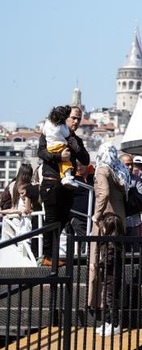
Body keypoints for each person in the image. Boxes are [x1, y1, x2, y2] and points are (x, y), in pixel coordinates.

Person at [37, 105, 89, 265]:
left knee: (62, 220)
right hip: (52, 181)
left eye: (78, 119)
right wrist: (59, 156)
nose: (76, 121)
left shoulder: (74, 138)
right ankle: (47, 256)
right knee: (51, 219)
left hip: (67, 184)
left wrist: (75, 146)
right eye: (73, 118)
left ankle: (52, 255)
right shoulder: (51, 132)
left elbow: (86, 159)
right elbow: (41, 152)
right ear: (65, 118)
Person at [87, 143, 128, 324]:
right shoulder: (119, 169)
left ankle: (98, 305)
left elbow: (103, 193)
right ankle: (113, 312)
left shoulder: (102, 170)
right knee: (115, 269)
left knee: (98, 263)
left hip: (106, 223)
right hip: (120, 223)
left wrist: (96, 216)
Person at [94, 212, 125, 337]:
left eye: (105, 226)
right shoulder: (108, 241)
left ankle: (115, 324)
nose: (102, 229)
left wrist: (98, 265)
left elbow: (109, 259)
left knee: (111, 299)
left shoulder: (112, 244)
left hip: (112, 275)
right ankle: (107, 322)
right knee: (106, 299)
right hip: (107, 275)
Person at [0, 164, 34, 259]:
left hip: (12, 217)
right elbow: (26, 208)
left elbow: (4, 199)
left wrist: (4, 211)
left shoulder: (13, 185)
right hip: (24, 217)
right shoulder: (30, 186)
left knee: (9, 243)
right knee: (23, 242)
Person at [42, 105, 77, 187]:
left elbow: (44, 132)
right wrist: (60, 156)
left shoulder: (47, 123)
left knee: (62, 163)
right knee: (66, 161)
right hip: (59, 146)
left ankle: (64, 177)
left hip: (50, 147)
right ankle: (67, 177)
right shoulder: (61, 126)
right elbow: (66, 133)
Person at [119, 153, 142, 241]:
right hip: (120, 220)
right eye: (127, 165)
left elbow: (141, 195)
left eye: (131, 164)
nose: (130, 167)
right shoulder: (116, 178)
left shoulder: (136, 179)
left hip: (134, 221)